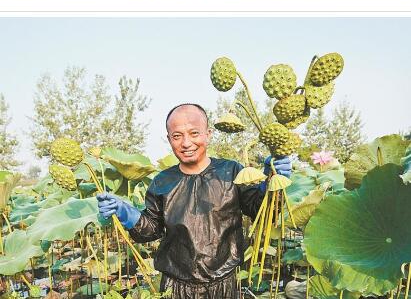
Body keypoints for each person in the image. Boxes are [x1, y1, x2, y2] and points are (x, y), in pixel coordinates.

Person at [97, 103, 292, 298]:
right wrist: (127, 213)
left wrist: (271, 185)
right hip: (176, 285)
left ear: (208, 134)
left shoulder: (231, 171)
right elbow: (151, 230)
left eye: (194, 133)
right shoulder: (162, 181)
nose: (186, 143)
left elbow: (261, 211)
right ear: (169, 139)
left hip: (224, 282)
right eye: (177, 136)